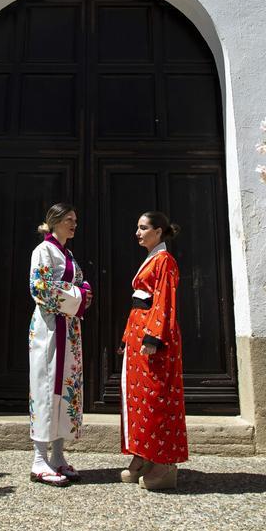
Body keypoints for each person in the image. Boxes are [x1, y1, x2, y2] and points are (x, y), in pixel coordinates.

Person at [120, 210, 188, 490]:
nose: (138, 232)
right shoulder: (151, 259)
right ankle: (142, 453)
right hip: (139, 332)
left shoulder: (165, 261)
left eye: (144, 227)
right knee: (138, 397)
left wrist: (153, 337)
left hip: (153, 334)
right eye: (137, 227)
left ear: (159, 232)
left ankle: (164, 461)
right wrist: (128, 337)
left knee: (157, 396)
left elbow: (164, 300)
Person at [27, 202, 93, 486]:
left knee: (66, 386)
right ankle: (39, 459)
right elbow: (40, 288)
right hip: (50, 328)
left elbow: (80, 286)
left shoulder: (67, 253)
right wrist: (79, 296)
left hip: (69, 330)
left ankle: (57, 455)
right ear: (54, 221)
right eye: (69, 219)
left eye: (75, 220)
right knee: (45, 385)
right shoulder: (42, 251)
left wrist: (82, 293)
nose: (74, 224)